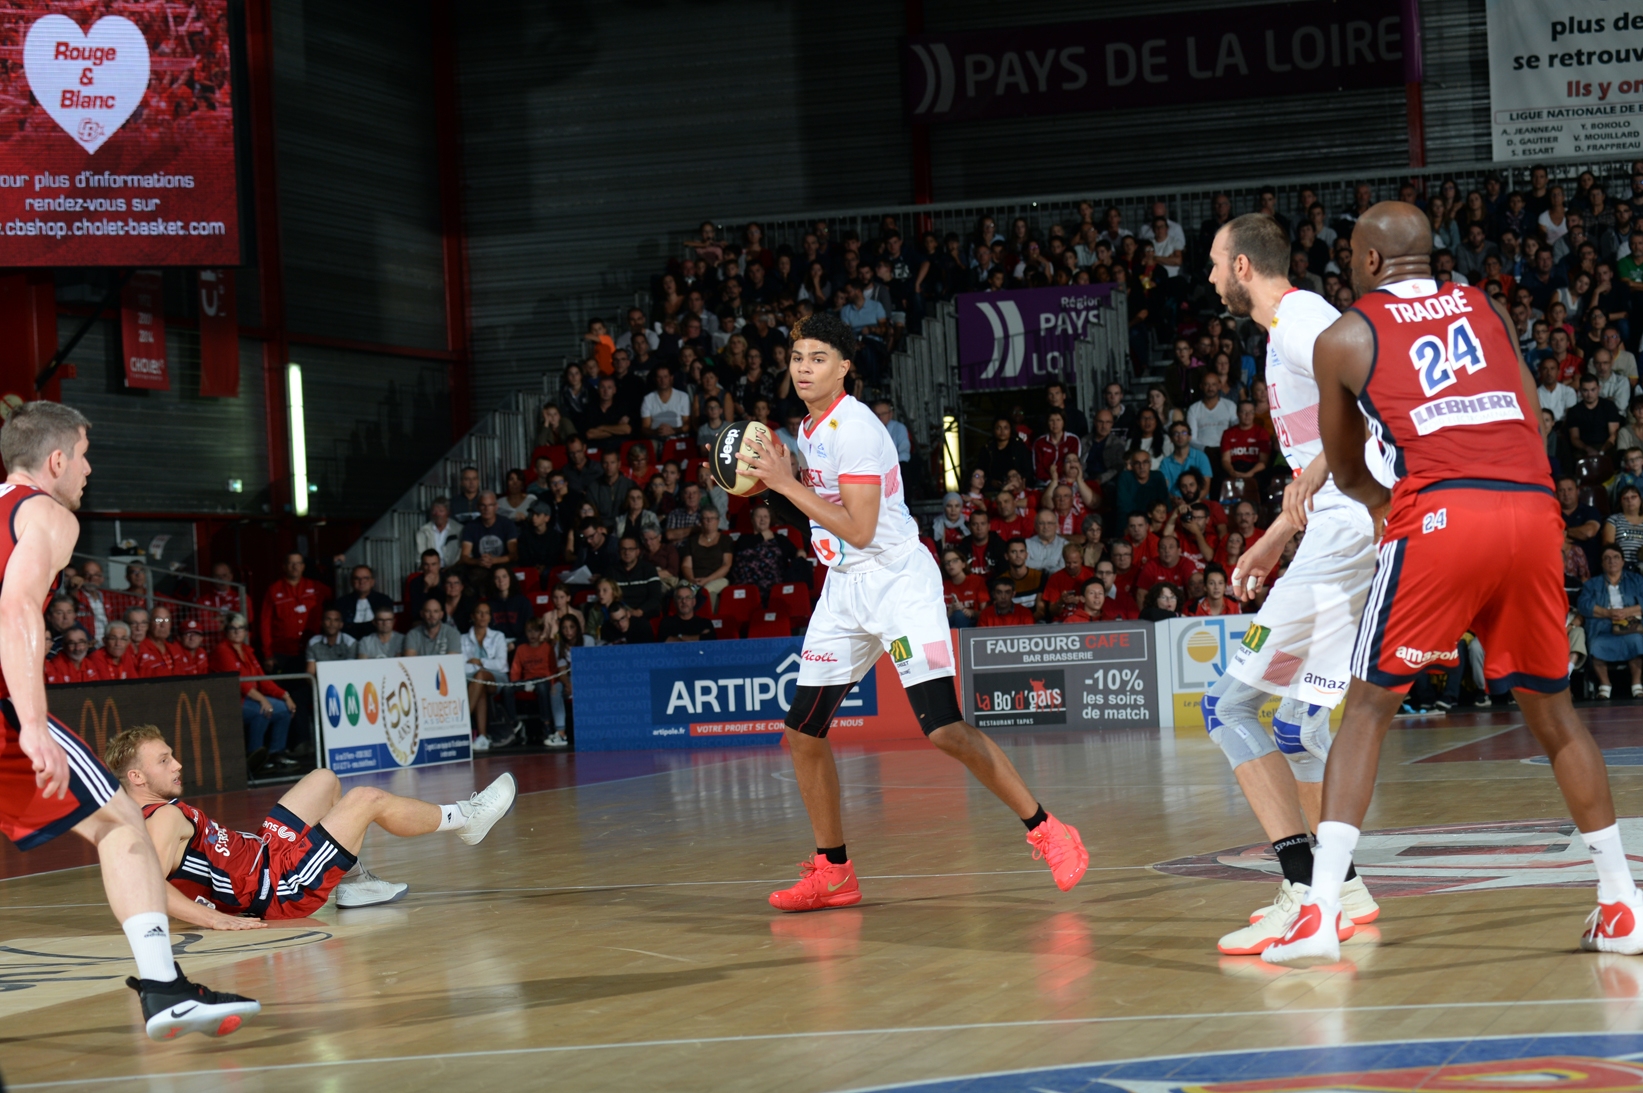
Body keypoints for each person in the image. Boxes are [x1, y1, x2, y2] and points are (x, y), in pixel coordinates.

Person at [1266, 200, 1643, 965]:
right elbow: (1528, 414)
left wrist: (1383, 508)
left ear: (1369, 262)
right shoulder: (1486, 304)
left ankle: (1320, 913)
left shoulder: (1345, 334)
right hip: (1532, 508)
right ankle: (1621, 902)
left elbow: (1343, 469)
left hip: (1442, 510)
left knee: (1368, 709)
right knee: (1557, 714)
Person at [738, 312, 1086, 913]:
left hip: (898, 583)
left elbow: (861, 527)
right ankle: (835, 872)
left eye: (817, 358)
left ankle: (1047, 827)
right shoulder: (810, 428)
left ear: (845, 367)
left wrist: (782, 483)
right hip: (844, 588)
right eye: (797, 358)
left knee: (943, 728)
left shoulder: (857, 429)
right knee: (801, 734)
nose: (803, 368)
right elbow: (822, 522)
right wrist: (770, 487)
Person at [0, 403, 261, 1040]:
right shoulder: (47, 513)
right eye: (85, 455)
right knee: (123, 821)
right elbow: (18, 607)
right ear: (56, 460)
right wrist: (32, 720)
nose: (89, 469)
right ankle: (164, 989)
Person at [1199, 213, 1390, 956]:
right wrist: (1278, 532)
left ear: (1242, 267)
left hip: (1347, 533)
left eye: (1216, 262)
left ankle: (1309, 885)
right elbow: (1329, 441)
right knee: (1295, 725)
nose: (1210, 275)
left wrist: (1313, 482)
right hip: (1337, 531)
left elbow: (1372, 407)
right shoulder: (1291, 326)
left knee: (1227, 705)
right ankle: (1338, 887)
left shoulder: (1300, 318)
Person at [110, 725, 515, 924]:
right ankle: (466, 819)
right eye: (163, 760)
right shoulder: (160, 819)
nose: (177, 763)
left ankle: (355, 885)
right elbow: (145, 890)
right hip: (280, 888)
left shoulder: (159, 811)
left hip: (268, 856)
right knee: (366, 800)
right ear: (137, 778)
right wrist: (216, 919)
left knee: (323, 779)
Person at [212, 613, 296, 774]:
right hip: (232, 702)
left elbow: (263, 680)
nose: (237, 632)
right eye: (232, 628)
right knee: (262, 711)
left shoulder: (247, 650)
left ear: (246, 632)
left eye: (241, 628)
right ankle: (254, 757)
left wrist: (285, 695)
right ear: (226, 631)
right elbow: (240, 683)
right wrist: (263, 700)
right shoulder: (222, 651)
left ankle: (275, 754)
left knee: (284, 709)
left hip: (250, 699)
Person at [1579, 546, 1643, 698]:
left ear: (1623, 561)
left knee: (1636, 641)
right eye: (1607, 558)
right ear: (1602, 563)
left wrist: (1627, 611)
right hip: (1603, 625)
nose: (1611, 561)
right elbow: (1584, 605)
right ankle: (1605, 685)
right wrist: (1608, 613)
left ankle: (1636, 684)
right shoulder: (1592, 584)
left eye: (1615, 557)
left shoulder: (1637, 580)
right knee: (1595, 645)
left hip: (1630, 625)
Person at [259, 552, 326, 675]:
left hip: (311, 650)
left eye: (298, 563)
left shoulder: (317, 587)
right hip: (282, 652)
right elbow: (265, 623)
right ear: (284, 566)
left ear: (303, 566)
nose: (295, 567)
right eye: (291, 563)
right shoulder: (273, 590)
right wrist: (267, 655)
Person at [463, 602, 512, 751]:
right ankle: (482, 737)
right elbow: (461, 665)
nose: (483, 616)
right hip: (472, 679)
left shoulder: (498, 636)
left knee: (481, 675)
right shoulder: (462, 638)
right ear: (473, 616)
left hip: (497, 678)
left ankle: (462, 722)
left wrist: (479, 662)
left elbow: (501, 664)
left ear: (490, 617)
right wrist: (483, 666)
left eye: (486, 613)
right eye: (479, 612)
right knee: (480, 685)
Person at [681, 507, 734, 608]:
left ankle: (711, 619)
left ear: (718, 521)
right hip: (694, 578)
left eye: (712, 518)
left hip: (717, 578)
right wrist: (692, 580)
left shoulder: (725, 540)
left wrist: (706, 580)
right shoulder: (692, 541)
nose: (709, 521)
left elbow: (726, 565)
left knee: (706, 591)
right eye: (705, 518)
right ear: (701, 522)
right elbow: (686, 565)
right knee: (682, 592)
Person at [330, 565, 394, 641]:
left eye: (366, 578)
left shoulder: (383, 600)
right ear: (351, 582)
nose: (361, 582)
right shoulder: (341, 602)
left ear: (372, 582)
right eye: (357, 578)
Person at [459, 492, 519, 571]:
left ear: (496, 507)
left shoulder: (507, 524)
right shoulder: (471, 527)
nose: (486, 509)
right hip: (480, 568)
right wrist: (478, 561)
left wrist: (493, 560)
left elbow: (513, 554)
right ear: (477, 507)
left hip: (503, 568)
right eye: (483, 505)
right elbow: (464, 557)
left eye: (490, 505)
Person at [305, 607, 356, 675]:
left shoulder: (350, 643)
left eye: (336, 620)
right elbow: (310, 673)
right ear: (322, 623)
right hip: (320, 683)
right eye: (328, 619)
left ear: (341, 624)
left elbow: (350, 672)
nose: (332, 623)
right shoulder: (313, 643)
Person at [415, 498, 462, 569]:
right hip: (431, 569)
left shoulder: (459, 529)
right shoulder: (424, 531)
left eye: (441, 511)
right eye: (434, 511)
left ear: (448, 512)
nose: (437, 514)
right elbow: (420, 554)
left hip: (454, 569)